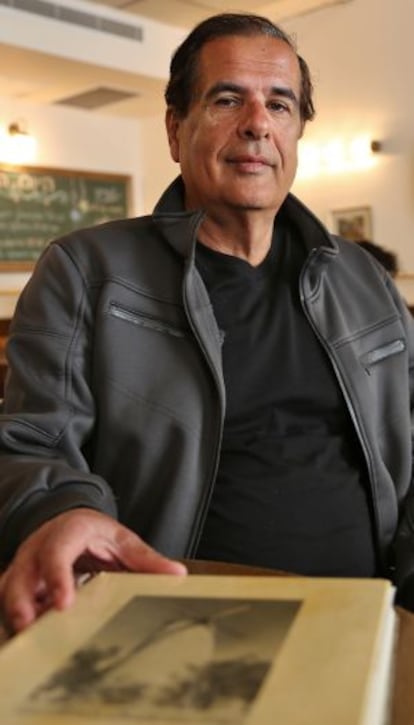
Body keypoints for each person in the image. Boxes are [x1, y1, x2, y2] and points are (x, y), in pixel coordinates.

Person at [1, 12, 414, 634]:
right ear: (175, 129)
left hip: (368, 620)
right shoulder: (86, 270)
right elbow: (31, 442)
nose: (256, 124)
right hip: (170, 623)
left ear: (297, 130)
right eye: (227, 99)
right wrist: (58, 511)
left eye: (280, 105)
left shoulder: (365, 279)